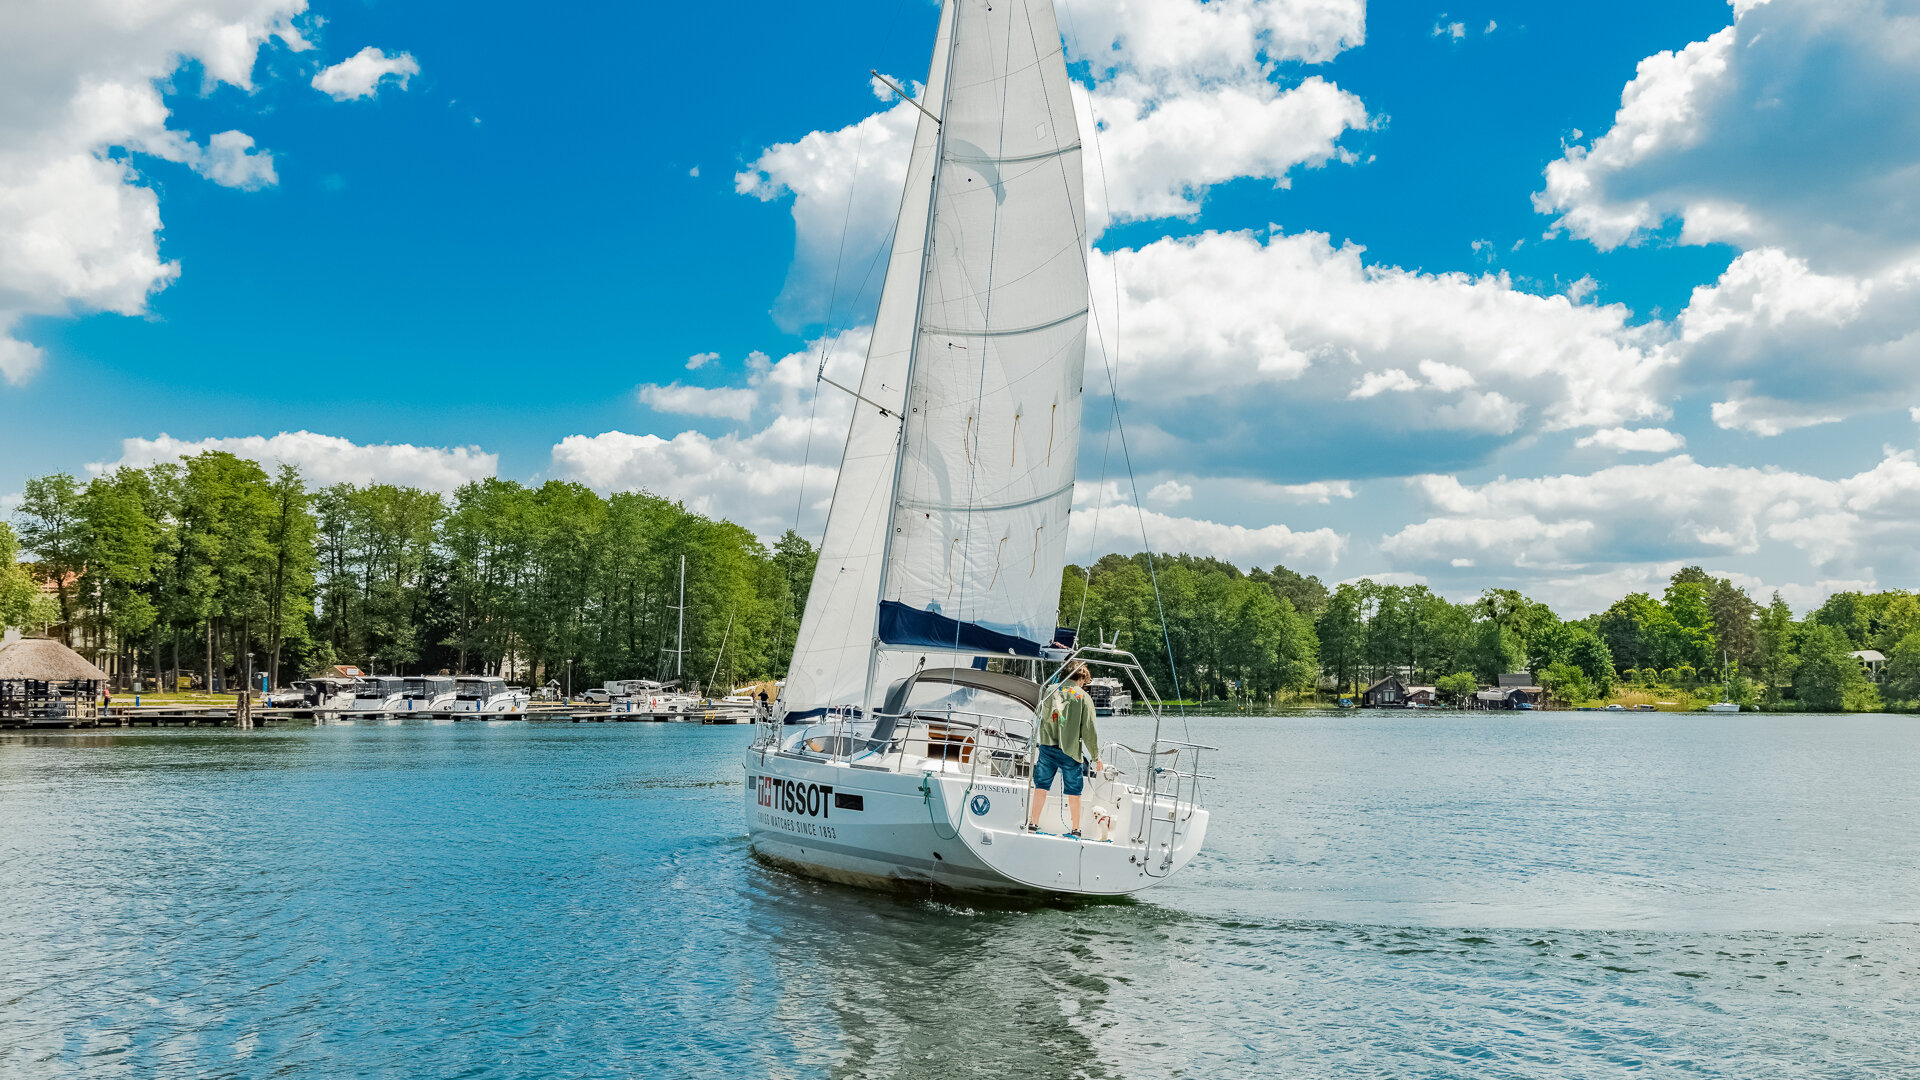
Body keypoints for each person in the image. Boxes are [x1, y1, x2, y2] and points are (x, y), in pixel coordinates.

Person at [1024, 662, 1101, 838]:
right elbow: (1088, 730)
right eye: (1084, 681)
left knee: (1041, 786)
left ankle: (1033, 823)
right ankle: (1076, 828)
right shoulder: (1083, 697)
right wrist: (1096, 756)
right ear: (1081, 678)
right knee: (1074, 791)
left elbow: (1042, 716)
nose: (1083, 684)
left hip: (1047, 747)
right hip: (1070, 751)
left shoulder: (1050, 690)